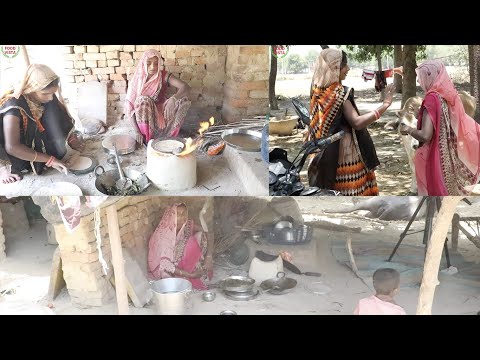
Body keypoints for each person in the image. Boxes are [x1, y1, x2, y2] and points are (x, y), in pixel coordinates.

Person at [307, 48, 396, 196]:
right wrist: (385, 105)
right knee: (352, 193)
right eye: (344, 65)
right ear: (335, 67)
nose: (347, 69)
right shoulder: (340, 93)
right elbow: (357, 122)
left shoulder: (317, 91)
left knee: (330, 189)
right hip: (345, 154)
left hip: (323, 153)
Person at [400, 60, 480, 195]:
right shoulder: (442, 95)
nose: (419, 81)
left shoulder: (431, 98)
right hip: (444, 157)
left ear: (429, 76)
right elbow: (441, 121)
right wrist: (420, 115)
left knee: (434, 197)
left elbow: (426, 135)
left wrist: (408, 129)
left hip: (433, 156)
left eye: (421, 77)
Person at [0, 64, 85, 184]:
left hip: (31, 137)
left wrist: (71, 138)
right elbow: (12, 147)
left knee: (58, 151)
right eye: (45, 94)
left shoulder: (45, 96)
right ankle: (3, 169)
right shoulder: (13, 106)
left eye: (53, 93)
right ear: (31, 89)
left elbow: (60, 120)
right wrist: (50, 160)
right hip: (9, 146)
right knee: (20, 166)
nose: (50, 98)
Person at [125, 49, 191, 145]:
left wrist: (173, 99)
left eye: (156, 63)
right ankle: (147, 138)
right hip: (146, 118)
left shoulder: (163, 75)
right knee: (143, 101)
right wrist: (137, 132)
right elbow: (129, 109)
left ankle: (169, 136)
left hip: (164, 112)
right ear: (143, 63)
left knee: (183, 102)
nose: (153, 67)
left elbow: (185, 87)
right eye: (149, 63)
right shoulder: (136, 81)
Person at [147, 203, 214, 290]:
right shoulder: (163, 236)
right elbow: (164, 265)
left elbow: (209, 234)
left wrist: (209, 257)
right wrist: (190, 275)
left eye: (184, 214)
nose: (183, 217)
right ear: (172, 216)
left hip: (178, 260)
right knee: (190, 243)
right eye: (179, 214)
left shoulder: (186, 225)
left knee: (201, 236)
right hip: (165, 269)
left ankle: (197, 268)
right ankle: (190, 274)